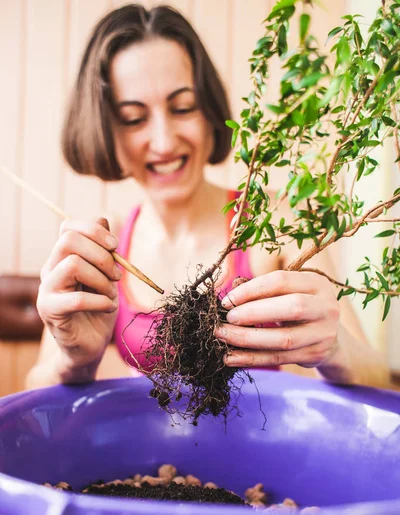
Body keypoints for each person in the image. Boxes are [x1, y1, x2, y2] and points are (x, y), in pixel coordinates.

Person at [26, 3, 390, 392]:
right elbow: (36, 390)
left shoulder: (275, 226)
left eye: (183, 107)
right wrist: (73, 361)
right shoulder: (102, 250)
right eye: (134, 118)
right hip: (155, 453)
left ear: (210, 110)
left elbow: (379, 379)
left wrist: (334, 349)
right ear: (103, 129)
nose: (164, 142)